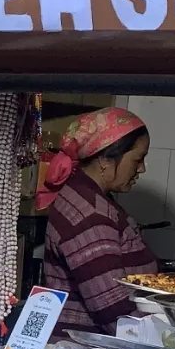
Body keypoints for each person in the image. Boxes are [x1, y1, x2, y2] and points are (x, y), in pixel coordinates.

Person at [39, 107, 156, 332]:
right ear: (105, 159)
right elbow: (113, 309)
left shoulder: (86, 195)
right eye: (138, 159)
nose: (141, 169)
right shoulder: (90, 215)